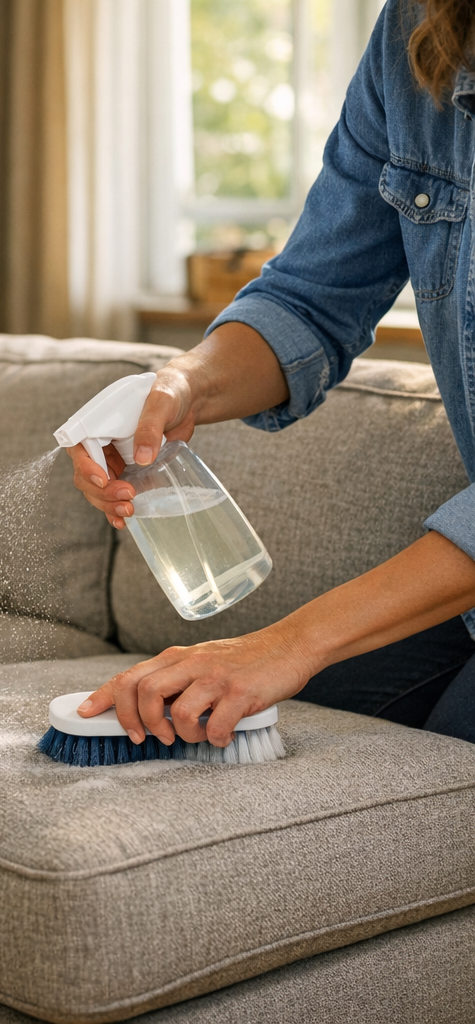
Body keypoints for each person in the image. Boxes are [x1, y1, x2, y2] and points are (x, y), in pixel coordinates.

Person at [69, 0, 475, 749]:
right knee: (271, 724)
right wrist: (183, 384)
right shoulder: (418, 33)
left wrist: (290, 643)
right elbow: (312, 298)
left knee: (438, 773)